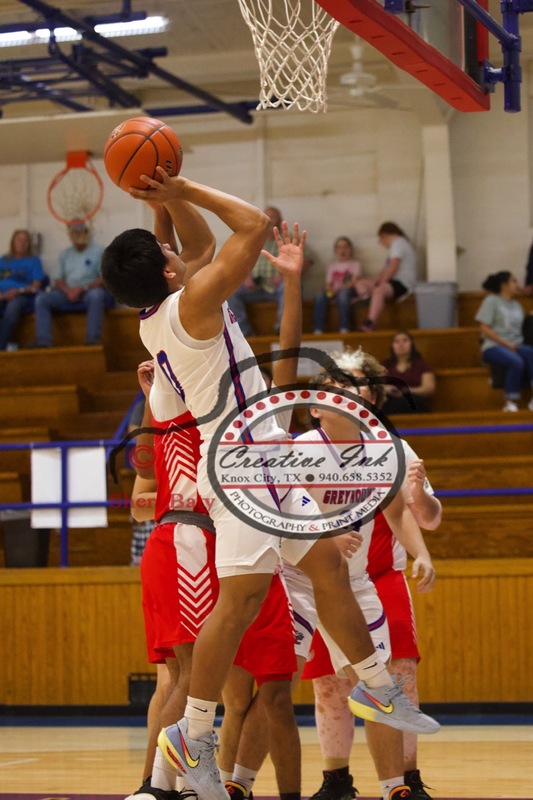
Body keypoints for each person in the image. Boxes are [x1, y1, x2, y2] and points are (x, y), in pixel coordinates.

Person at [100, 168, 439, 800]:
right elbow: (252, 225)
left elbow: (199, 245)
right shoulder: (192, 305)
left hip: (266, 458)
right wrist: (182, 185)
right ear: (169, 272)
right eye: (170, 252)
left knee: (328, 569)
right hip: (241, 466)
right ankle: (192, 733)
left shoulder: (159, 313)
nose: (179, 250)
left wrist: (163, 201)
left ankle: (377, 689)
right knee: (239, 603)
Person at [304, 347, 441, 800]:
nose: (348, 389)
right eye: (337, 382)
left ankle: (405, 779)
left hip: (380, 574)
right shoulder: (302, 449)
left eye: (356, 381)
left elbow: (422, 516)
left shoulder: (392, 448)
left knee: (396, 678)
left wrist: (421, 510)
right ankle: (336, 779)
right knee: (329, 684)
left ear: (373, 394)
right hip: (318, 579)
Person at [228, 206, 313, 336]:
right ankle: (244, 332)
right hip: (256, 287)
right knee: (230, 290)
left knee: (288, 286)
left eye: (272, 217)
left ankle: (282, 331)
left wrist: (286, 276)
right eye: (265, 217)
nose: (269, 220)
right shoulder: (253, 240)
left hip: (278, 286)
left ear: (279, 219)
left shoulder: (289, 238)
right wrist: (246, 277)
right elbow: (239, 262)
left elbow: (308, 261)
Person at [29, 221, 106, 347]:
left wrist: (82, 288)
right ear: (70, 236)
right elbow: (58, 279)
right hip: (67, 292)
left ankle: (92, 339)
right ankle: (43, 341)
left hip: (88, 290)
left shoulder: (99, 251)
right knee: (41, 299)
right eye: (74, 233)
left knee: (97, 295)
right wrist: (67, 290)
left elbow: (104, 278)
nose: (78, 235)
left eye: (80, 232)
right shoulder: (65, 254)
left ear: (86, 233)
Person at [475, 271, 533, 412]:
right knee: (516, 361)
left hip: (516, 344)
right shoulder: (491, 301)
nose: (517, 284)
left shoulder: (517, 305)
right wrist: (507, 344)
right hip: (494, 345)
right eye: (513, 281)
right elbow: (484, 328)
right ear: (504, 285)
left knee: (530, 353)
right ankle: (510, 402)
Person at [358, 222, 417, 333]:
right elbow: (385, 269)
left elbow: (393, 267)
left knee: (379, 290)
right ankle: (366, 298)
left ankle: (370, 322)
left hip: (402, 283)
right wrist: (375, 281)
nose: (380, 243)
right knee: (362, 283)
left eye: (380, 239)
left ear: (384, 235)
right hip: (392, 282)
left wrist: (379, 284)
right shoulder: (395, 247)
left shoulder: (398, 243)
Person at [0, 228, 45, 350]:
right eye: (19, 240)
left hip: (21, 295)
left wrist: (18, 291)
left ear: (29, 244)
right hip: (2, 294)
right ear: (13, 242)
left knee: (12, 308)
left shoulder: (34, 261)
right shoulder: (3, 260)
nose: (22, 243)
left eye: (25, 240)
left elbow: (36, 285)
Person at [312, 236, 363, 334]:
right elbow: (328, 283)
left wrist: (339, 288)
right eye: (339, 247)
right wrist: (330, 289)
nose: (342, 250)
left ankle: (345, 327)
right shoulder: (332, 266)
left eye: (345, 247)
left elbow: (353, 282)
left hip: (348, 290)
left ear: (350, 249)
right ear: (335, 251)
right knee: (320, 296)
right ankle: (318, 328)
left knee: (343, 295)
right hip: (333, 291)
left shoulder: (355, 264)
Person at [381, 330, 436, 415]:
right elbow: (376, 385)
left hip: (414, 401)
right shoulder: (385, 365)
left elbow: (429, 388)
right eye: (397, 341)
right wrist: (387, 389)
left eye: (405, 340)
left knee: (409, 401)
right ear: (392, 346)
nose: (401, 344)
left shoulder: (421, 364)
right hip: (390, 401)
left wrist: (407, 390)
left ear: (411, 344)